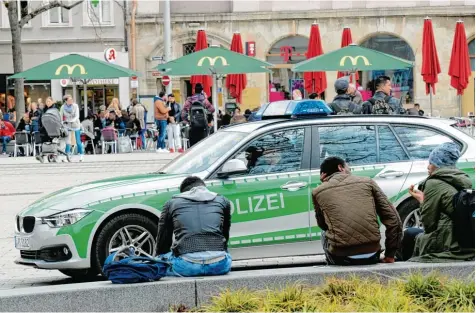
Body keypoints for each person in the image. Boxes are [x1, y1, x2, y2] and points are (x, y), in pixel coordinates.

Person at [312, 157, 402, 265]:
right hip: (373, 254)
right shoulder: (367, 182)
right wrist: (390, 255)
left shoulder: (318, 191)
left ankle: (332, 266)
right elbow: (394, 219)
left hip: (341, 258)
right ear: (340, 168)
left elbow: (323, 225)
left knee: (324, 232)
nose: (350, 171)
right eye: (348, 168)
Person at [402, 143, 475, 262]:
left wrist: (422, 202)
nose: (428, 167)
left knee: (409, 234)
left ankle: (403, 269)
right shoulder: (460, 181)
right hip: (463, 242)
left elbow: (429, 224)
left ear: (437, 165)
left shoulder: (433, 183)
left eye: (430, 163)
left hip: (447, 244)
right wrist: (423, 199)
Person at [156, 176, 232, 277]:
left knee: (160, 259)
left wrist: (161, 257)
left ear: (183, 193)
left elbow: (163, 239)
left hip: (186, 266)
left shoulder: (171, 203)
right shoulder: (223, 201)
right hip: (220, 265)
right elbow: (225, 234)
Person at [60, 95, 84, 162]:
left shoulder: (75, 106)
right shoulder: (63, 107)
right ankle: (66, 156)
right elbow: (61, 116)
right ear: (66, 101)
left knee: (78, 141)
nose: (71, 101)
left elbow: (77, 116)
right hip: (67, 125)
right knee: (68, 141)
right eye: (69, 100)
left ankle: (81, 155)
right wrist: (62, 122)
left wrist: (72, 120)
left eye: (72, 100)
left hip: (75, 124)